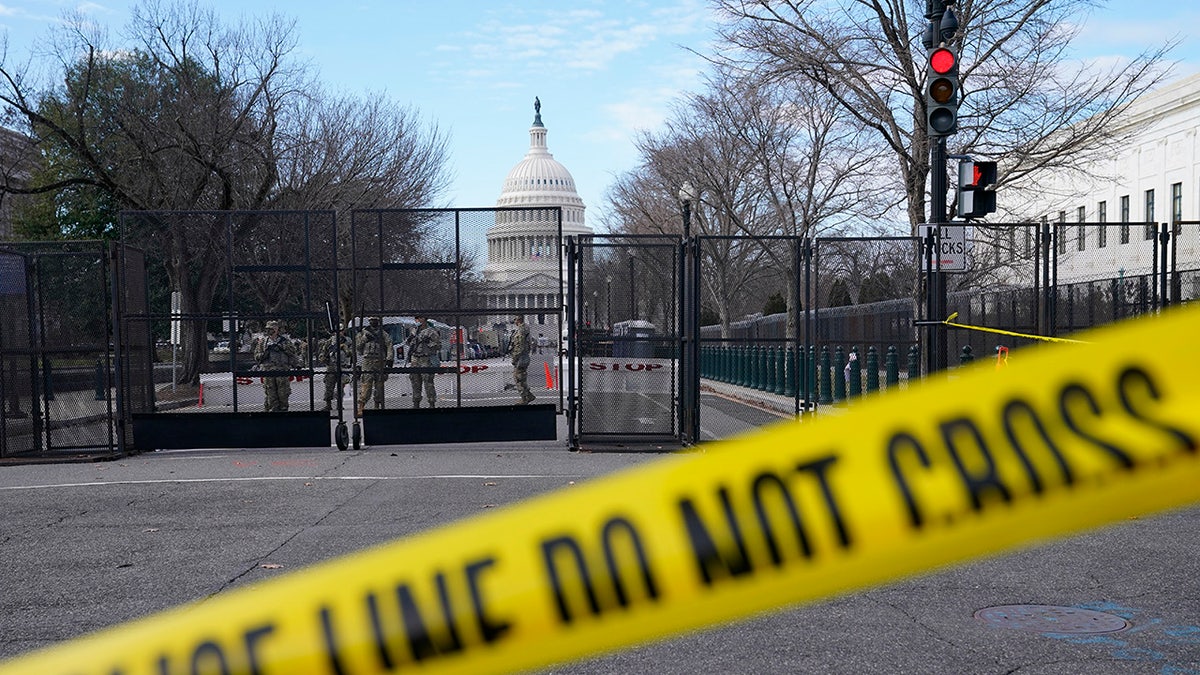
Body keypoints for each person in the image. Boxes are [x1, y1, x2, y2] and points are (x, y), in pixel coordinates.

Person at [253, 320, 299, 412]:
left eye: (271, 329)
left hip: (282, 370)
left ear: (276, 329)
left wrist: (282, 347)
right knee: (270, 394)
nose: (269, 331)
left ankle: (283, 411)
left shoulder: (285, 341)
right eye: (268, 329)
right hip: (268, 371)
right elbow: (256, 357)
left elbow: (293, 354)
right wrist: (266, 351)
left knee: (283, 393)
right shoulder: (263, 343)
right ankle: (272, 412)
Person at [356, 317, 392, 416]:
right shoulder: (364, 332)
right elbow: (358, 347)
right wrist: (364, 338)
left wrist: (389, 359)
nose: (373, 322)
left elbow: (389, 345)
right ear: (369, 321)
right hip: (367, 361)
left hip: (380, 360)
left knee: (379, 385)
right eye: (372, 320)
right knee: (366, 385)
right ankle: (361, 408)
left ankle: (377, 406)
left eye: (375, 320)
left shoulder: (383, 333)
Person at [406, 314, 440, 408]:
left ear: (424, 319)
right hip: (415, 359)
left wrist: (428, 342)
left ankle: (431, 403)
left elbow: (438, 345)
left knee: (428, 382)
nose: (418, 320)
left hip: (426, 358)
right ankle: (416, 403)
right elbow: (408, 343)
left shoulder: (432, 331)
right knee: (415, 382)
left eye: (419, 318)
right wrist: (411, 340)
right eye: (416, 318)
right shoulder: (414, 330)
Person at [318, 326, 352, 412]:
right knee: (329, 386)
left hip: (342, 367)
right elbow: (323, 353)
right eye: (337, 331)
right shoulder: (329, 342)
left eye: (341, 331)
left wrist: (345, 348)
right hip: (331, 367)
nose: (339, 332)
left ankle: (339, 404)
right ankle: (328, 404)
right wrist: (323, 358)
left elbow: (351, 353)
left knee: (341, 387)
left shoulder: (348, 341)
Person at [509, 315, 535, 405]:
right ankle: (528, 395)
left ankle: (524, 398)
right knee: (521, 378)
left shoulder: (521, 330)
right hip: (524, 356)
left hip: (521, 357)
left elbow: (519, 346)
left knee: (518, 378)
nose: (514, 322)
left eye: (515, 319)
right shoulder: (525, 328)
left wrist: (514, 358)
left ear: (519, 320)